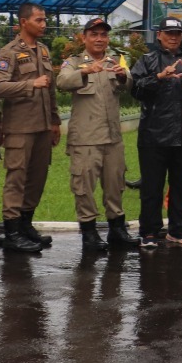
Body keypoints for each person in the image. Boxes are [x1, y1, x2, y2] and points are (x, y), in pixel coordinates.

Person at [56, 17, 137, 252]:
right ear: (84, 38)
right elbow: (62, 81)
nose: (100, 39)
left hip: (112, 138)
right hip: (86, 139)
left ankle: (117, 229)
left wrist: (123, 76)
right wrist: (86, 71)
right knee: (84, 188)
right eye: (94, 34)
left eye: (103, 35)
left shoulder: (114, 61)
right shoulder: (74, 62)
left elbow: (129, 84)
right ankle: (89, 234)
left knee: (115, 185)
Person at [131, 18, 182, 247]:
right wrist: (159, 77)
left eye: (177, 33)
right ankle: (149, 231)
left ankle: (179, 229)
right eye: (169, 33)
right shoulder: (147, 60)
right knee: (152, 187)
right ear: (159, 35)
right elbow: (136, 89)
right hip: (153, 135)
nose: (173, 37)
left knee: (181, 185)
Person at [0, 2, 62, 254]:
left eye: (45, 20)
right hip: (20, 128)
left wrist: (54, 120)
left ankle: (25, 225)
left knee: (37, 177)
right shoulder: (9, 52)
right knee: (16, 178)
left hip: (42, 126)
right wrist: (30, 84)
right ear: (24, 22)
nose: (44, 24)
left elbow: (50, 89)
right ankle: (11, 232)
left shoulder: (43, 50)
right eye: (39, 20)